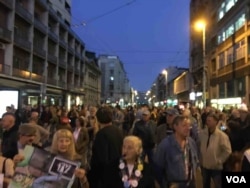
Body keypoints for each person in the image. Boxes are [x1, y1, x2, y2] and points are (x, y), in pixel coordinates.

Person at [154, 115, 200, 188]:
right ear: (175, 127)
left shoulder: (191, 143)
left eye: (189, 126)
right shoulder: (165, 145)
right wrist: (166, 185)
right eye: (184, 125)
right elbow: (157, 168)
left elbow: (195, 163)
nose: (188, 128)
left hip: (190, 183)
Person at [87, 106, 123, 188]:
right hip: (118, 171)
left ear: (98, 119)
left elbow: (100, 159)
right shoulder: (118, 131)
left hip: (105, 177)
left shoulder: (101, 135)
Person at [199, 112, 231, 188]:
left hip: (216, 167)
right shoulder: (202, 133)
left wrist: (219, 161)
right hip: (204, 166)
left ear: (215, 122)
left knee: (218, 185)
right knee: (205, 184)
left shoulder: (221, 136)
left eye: (209, 120)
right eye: (207, 120)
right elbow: (199, 146)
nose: (207, 122)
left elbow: (227, 151)